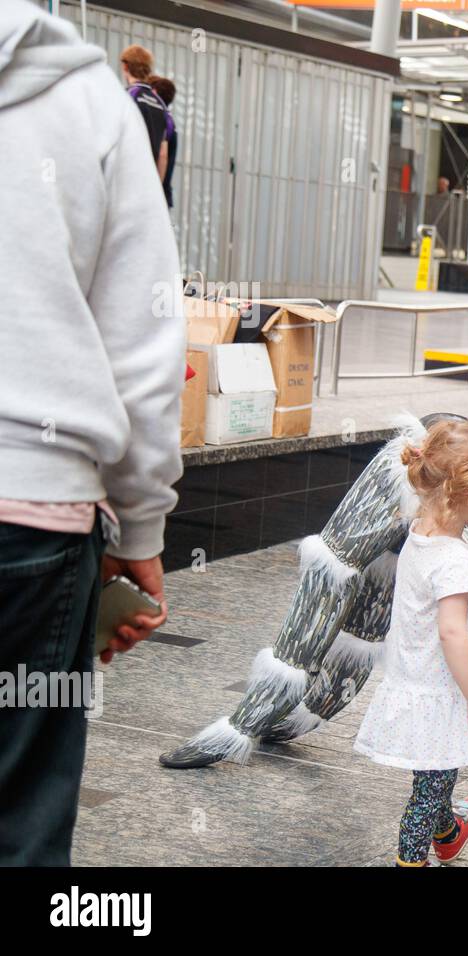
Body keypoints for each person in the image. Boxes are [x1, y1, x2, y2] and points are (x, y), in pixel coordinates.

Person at [0, 4, 184, 865]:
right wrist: (141, 529)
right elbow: (142, 344)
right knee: (23, 806)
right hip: (33, 525)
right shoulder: (91, 101)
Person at [353, 421, 468, 866]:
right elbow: (452, 632)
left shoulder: (420, 536)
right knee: (430, 786)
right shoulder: (455, 560)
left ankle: (448, 830)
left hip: (415, 680)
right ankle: (413, 857)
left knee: (436, 770)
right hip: (443, 690)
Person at [119, 44, 169, 184]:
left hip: (127, 178)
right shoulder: (160, 104)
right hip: (148, 181)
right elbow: (163, 154)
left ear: (125, 66)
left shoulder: (126, 96)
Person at [148, 74, 178, 209]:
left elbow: (163, 155)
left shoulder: (163, 121)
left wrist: (155, 193)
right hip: (165, 194)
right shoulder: (170, 120)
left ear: (154, 93)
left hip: (158, 195)